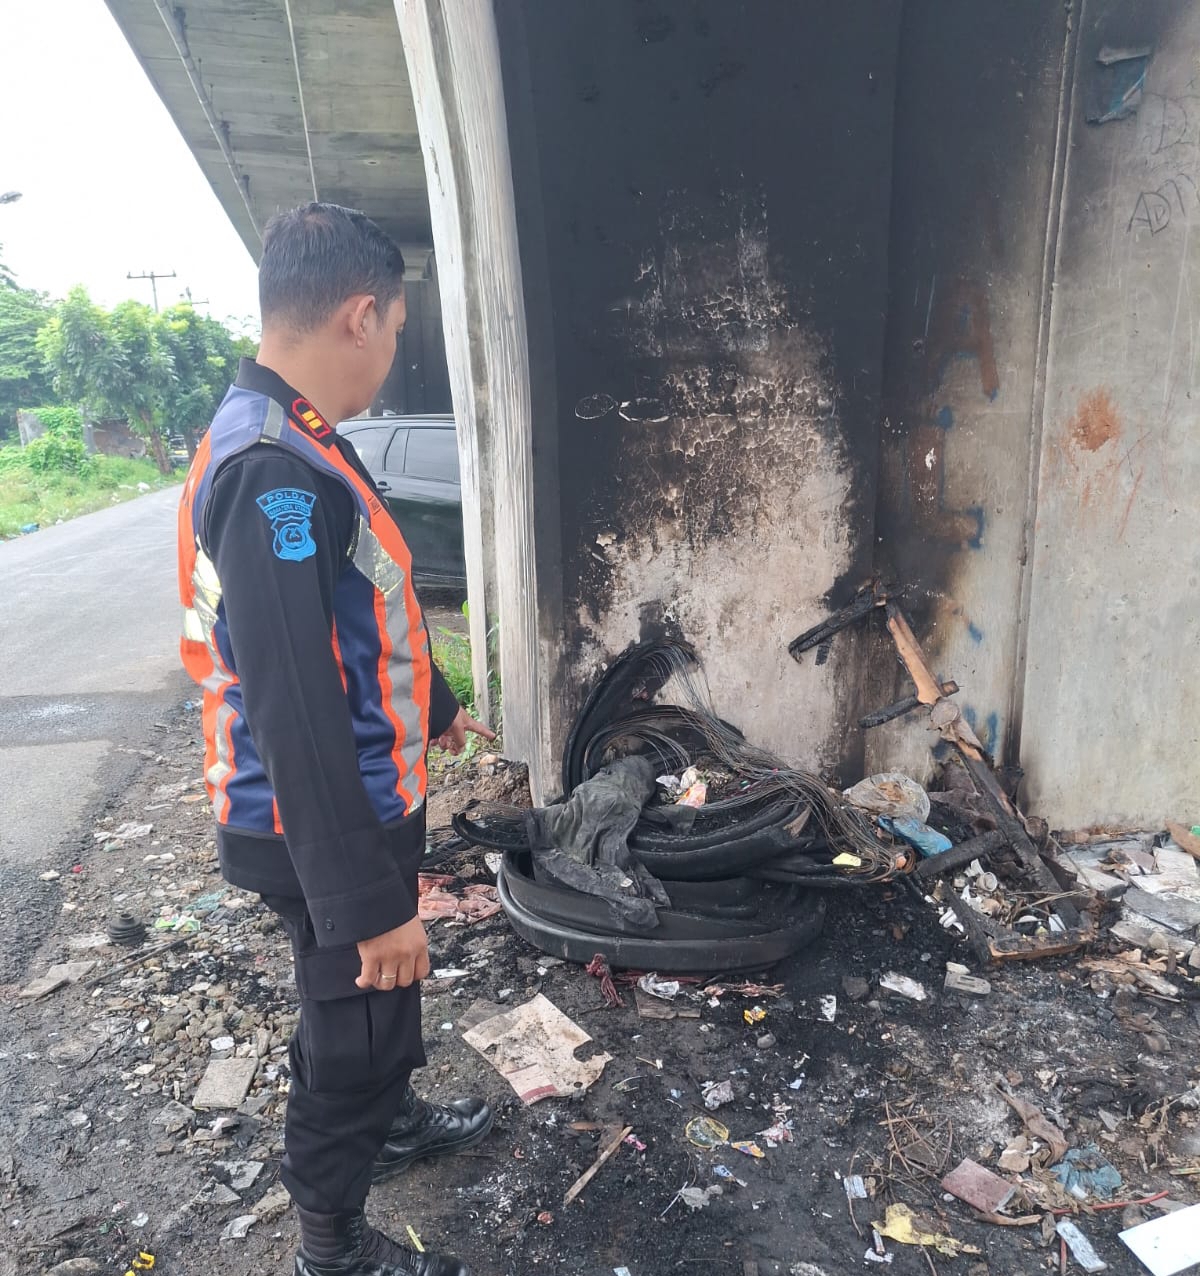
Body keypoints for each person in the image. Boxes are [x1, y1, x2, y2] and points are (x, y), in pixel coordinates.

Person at [177, 202, 495, 1276]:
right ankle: (332, 1247)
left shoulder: (294, 437)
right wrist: (367, 904)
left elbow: (354, 612)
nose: (392, 351)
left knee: (372, 1006)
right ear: (362, 315)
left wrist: (437, 705)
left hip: (351, 807)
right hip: (317, 822)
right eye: (397, 330)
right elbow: (295, 703)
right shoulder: (271, 469)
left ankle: (389, 1128)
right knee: (354, 1029)